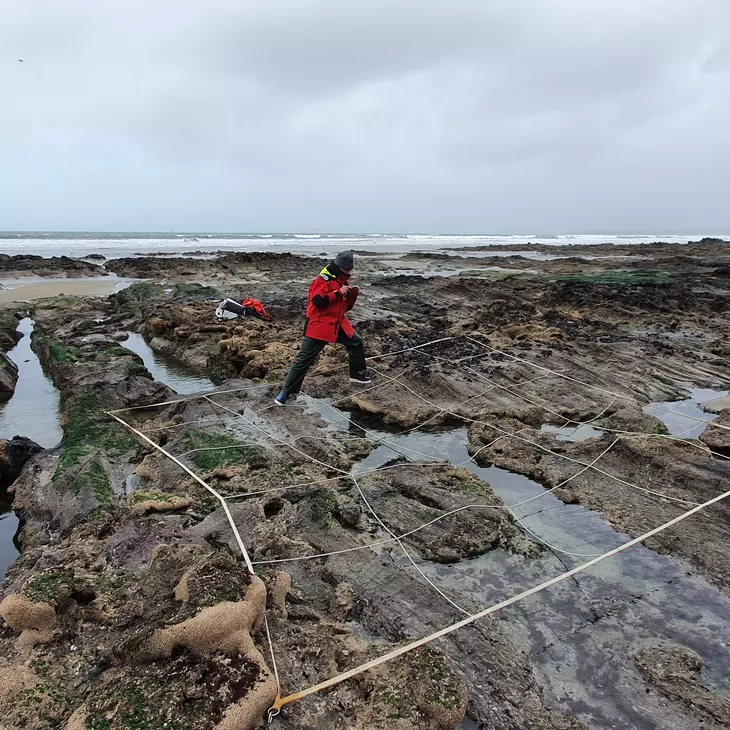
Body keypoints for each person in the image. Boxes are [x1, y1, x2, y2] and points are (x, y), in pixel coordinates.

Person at [275, 250, 371, 405]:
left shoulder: (342, 282)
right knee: (303, 360)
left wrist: (352, 295)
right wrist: (338, 293)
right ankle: (286, 392)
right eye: (346, 270)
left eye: (349, 271)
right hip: (318, 326)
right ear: (339, 267)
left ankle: (357, 374)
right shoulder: (322, 280)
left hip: (337, 324)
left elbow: (344, 309)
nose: (348, 273)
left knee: (355, 342)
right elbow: (318, 301)